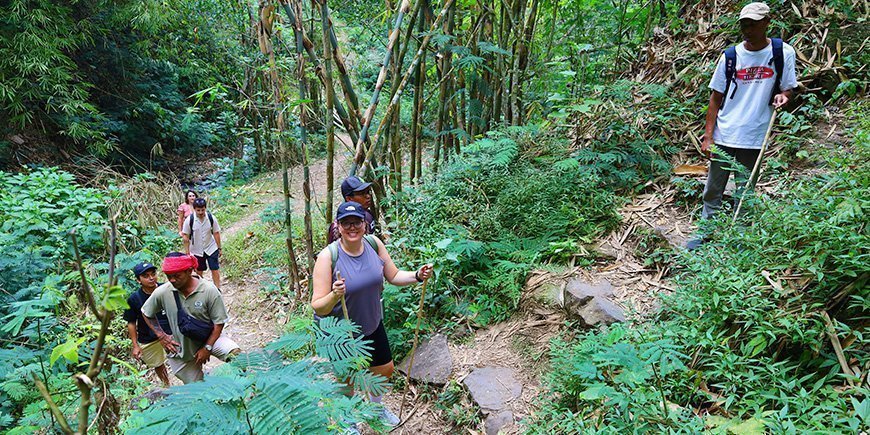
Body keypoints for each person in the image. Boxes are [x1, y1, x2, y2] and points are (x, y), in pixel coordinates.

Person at [312, 201, 433, 428]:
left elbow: (394, 275)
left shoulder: (373, 244)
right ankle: (347, 420)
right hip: (340, 330)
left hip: (370, 322)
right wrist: (334, 295)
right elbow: (318, 306)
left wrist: (417, 275)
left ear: (364, 224)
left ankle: (375, 409)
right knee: (346, 378)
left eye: (356, 222)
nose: (352, 227)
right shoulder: (328, 257)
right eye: (346, 223)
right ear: (338, 226)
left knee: (384, 369)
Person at [689, 2, 797, 249]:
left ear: (767, 23)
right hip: (725, 132)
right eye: (744, 23)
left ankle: (739, 239)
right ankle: (706, 234)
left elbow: (787, 88)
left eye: (753, 23)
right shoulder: (731, 56)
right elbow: (715, 98)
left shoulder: (783, 53)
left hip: (755, 133)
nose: (747, 28)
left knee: (745, 189)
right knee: (713, 189)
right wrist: (708, 136)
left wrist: (784, 97)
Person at [141, 252, 240, 384]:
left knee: (236, 355)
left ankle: (249, 389)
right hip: (181, 349)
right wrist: (162, 336)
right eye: (168, 276)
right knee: (196, 391)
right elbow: (146, 312)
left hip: (210, 338)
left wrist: (207, 348)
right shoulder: (162, 291)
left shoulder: (209, 290)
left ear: (189, 271)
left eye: (177, 276)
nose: (172, 280)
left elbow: (219, 323)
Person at [123, 262, 171, 386]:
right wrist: (135, 345)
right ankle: (167, 386)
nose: (151, 278)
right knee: (157, 364)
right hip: (148, 337)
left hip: (170, 332)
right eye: (146, 276)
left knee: (181, 358)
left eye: (153, 274)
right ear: (138, 280)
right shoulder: (134, 299)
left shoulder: (167, 289)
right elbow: (131, 322)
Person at [182, 197, 223, 289]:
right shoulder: (189, 220)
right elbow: (185, 236)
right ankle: (200, 289)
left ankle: (217, 289)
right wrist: (187, 252)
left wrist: (219, 248)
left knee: (215, 269)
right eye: (198, 210)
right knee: (199, 271)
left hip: (211, 247)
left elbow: (216, 233)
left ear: (205, 208)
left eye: (202, 210)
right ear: (194, 209)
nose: (200, 212)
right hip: (196, 250)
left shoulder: (211, 218)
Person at [326, 176, 378, 244]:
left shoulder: (368, 214)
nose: (368, 196)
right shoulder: (338, 226)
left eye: (368, 192)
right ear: (349, 199)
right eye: (362, 193)